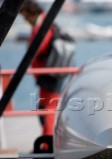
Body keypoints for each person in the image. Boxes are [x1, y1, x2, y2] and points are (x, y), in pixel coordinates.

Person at [20, 0, 71, 136]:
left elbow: (39, 48)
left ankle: (49, 141)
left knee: (47, 108)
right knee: (45, 107)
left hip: (50, 74)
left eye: (26, 16)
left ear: (32, 12)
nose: (26, 20)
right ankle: (49, 139)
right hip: (49, 73)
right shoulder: (44, 22)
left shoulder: (43, 25)